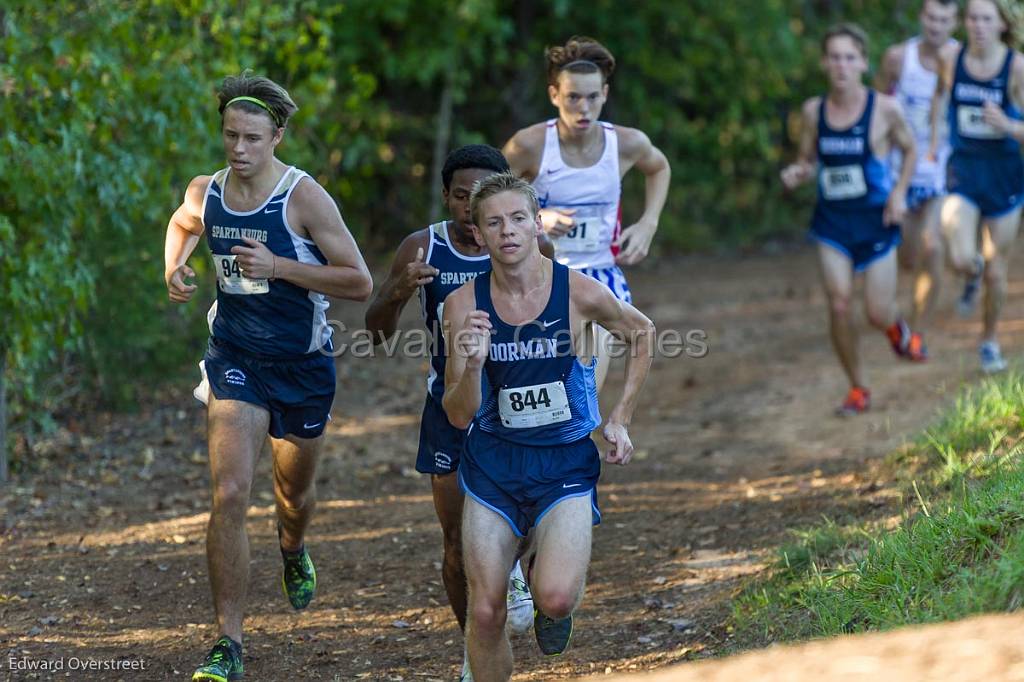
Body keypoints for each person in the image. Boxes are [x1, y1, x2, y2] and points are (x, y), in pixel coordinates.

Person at [163, 72, 373, 682]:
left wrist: (280, 265)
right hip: (235, 359)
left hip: (303, 366)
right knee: (229, 493)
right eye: (231, 135)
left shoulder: (303, 198)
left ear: (277, 136)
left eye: (253, 138)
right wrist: (172, 268)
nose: (239, 149)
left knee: (294, 496)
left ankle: (292, 546)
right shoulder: (209, 190)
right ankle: (227, 642)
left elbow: (358, 281)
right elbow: (182, 223)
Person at [442, 172, 655, 680]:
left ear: (537, 224)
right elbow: (457, 413)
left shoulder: (579, 292)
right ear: (478, 234)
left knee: (556, 599)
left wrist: (620, 418)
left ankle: (544, 583)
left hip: (563, 463)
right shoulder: (463, 306)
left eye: (518, 219)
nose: (508, 231)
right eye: (494, 223)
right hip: (493, 464)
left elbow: (642, 333)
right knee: (489, 609)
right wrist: (472, 365)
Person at [363, 145, 550, 680]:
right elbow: (375, 332)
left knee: (528, 517)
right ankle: (476, 653)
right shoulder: (422, 247)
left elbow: (559, 316)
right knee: (454, 540)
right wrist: (397, 292)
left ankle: (516, 569)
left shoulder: (531, 244)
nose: (471, 209)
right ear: (446, 196)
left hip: (518, 404)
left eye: (483, 197)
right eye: (461, 196)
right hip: (449, 406)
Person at [503, 36, 670, 390]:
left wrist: (648, 223)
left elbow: (659, 167)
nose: (584, 108)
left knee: (584, 386)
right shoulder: (529, 145)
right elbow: (490, 198)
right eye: (573, 97)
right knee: (536, 389)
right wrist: (535, 221)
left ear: (605, 95)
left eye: (592, 97)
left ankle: (578, 437)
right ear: (554, 96)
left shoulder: (626, 143)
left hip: (600, 276)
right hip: (539, 277)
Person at [781, 24, 924, 416]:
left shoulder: (885, 109)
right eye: (835, 57)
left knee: (877, 312)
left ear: (862, 62)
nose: (842, 65)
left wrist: (899, 194)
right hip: (832, 224)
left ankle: (898, 331)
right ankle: (859, 387)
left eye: (850, 57)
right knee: (840, 305)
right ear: (825, 63)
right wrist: (798, 172)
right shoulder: (814, 111)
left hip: (876, 221)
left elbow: (910, 151)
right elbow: (808, 160)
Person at [930, 0, 1024, 373]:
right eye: (972, 18)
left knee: (998, 271)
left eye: (987, 18)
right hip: (964, 171)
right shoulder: (951, 60)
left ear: (1002, 24)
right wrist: (936, 143)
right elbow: (940, 98)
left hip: (1004, 175)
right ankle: (971, 274)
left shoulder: (1016, 66)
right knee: (958, 254)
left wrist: (1008, 125)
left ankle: (988, 340)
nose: (978, 25)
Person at [877, 0, 960, 350]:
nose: (936, 26)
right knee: (908, 257)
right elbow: (875, 107)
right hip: (903, 167)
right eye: (931, 17)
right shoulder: (898, 58)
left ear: (955, 23)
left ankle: (918, 331)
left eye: (944, 20)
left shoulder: (963, 58)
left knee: (933, 246)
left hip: (945, 165)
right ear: (921, 18)